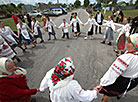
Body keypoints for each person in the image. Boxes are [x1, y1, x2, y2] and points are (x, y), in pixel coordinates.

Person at [96, 34, 138, 102]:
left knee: (108, 90)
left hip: (122, 80)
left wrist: (102, 84)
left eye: (130, 42)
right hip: (133, 81)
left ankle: (104, 100)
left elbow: (112, 73)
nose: (126, 43)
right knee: (121, 89)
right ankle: (119, 94)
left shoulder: (125, 58)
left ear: (136, 46)